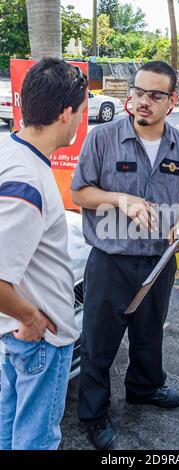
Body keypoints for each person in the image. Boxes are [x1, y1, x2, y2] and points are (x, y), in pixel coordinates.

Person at [71, 60, 179, 450]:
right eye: (138, 92)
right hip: (111, 260)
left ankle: (144, 387)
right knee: (99, 342)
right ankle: (94, 415)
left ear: (173, 101)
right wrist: (119, 198)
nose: (142, 102)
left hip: (160, 260)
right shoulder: (103, 139)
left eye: (154, 95)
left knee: (149, 334)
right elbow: (79, 192)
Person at [0, 57, 88, 450]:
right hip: (39, 340)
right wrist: (31, 318)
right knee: (35, 441)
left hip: (20, 335)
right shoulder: (27, 182)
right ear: (65, 114)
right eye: (82, 112)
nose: (82, 120)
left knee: (9, 431)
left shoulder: (12, 152)